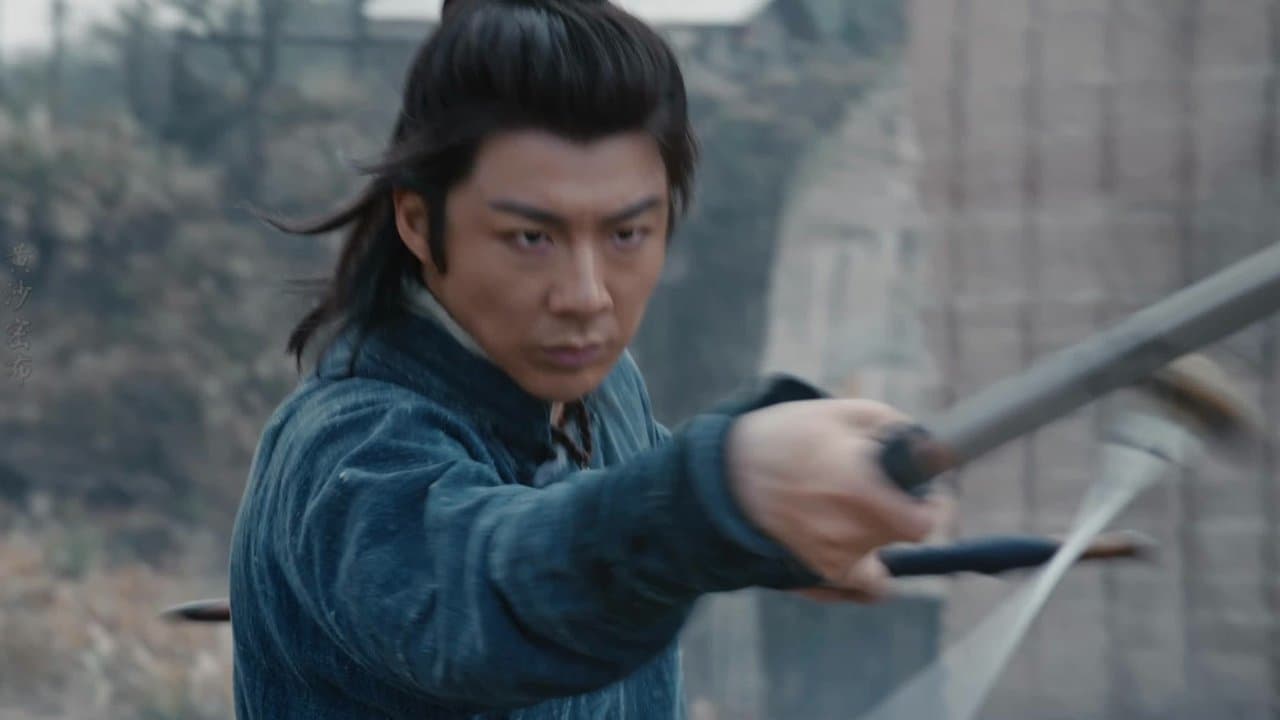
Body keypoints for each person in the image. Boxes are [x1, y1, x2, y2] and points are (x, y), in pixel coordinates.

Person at [228, 0, 936, 717]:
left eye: (627, 234)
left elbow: (632, 508)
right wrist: (727, 489)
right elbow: (485, 592)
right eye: (532, 238)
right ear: (417, 221)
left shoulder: (604, 389)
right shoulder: (347, 452)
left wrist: (766, 522)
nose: (586, 295)